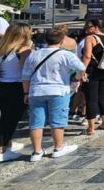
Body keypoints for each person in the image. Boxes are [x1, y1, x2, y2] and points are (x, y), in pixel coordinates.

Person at [22, 28, 86, 161]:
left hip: (36, 90)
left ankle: (36, 151)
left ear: (46, 40)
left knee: (36, 122)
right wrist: (76, 79)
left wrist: (26, 92)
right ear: (62, 40)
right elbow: (81, 67)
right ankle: (58, 147)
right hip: (58, 90)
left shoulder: (34, 54)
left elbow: (25, 75)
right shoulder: (65, 54)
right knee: (57, 121)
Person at [0, 24, 32, 163]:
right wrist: (27, 92)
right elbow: (26, 72)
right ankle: (0, 149)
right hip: (17, 86)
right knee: (12, 119)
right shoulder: (24, 49)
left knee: (5, 116)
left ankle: (7, 143)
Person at [81, 19, 104, 134]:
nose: (86, 29)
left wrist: (81, 71)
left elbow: (87, 56)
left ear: (95, 28)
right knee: (102, 96)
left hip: (92, 71)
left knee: (91, 99)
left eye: (88, 27)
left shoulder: (90, 38)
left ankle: (91, 128)